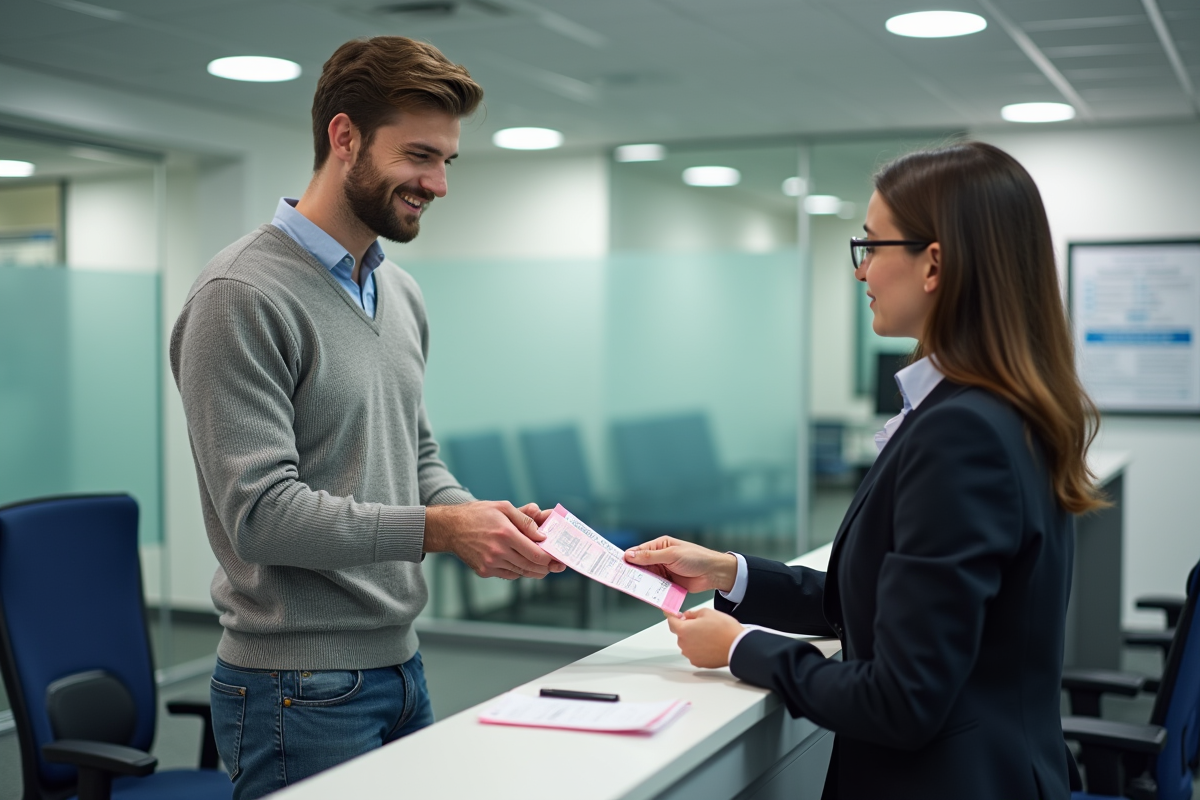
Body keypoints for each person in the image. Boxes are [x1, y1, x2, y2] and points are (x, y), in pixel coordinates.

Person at [624, 141, 1106, 800]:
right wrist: (727, 572)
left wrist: (740, 648)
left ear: (934, 264)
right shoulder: (997, 410)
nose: (861, 272)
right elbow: (891, 607)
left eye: (872, 246)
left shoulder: (963, 432)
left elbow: (901, 698)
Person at [170, 36, 563, 799]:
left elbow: (415, 455)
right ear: (344, 137)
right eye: (420, 156)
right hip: (295, 688)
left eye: (447, 161)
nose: (438, 183)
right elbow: (262, 516)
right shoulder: (240, 295)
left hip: (400, 666)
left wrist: (480, 521)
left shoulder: (400, 293)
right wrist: (441, 530)